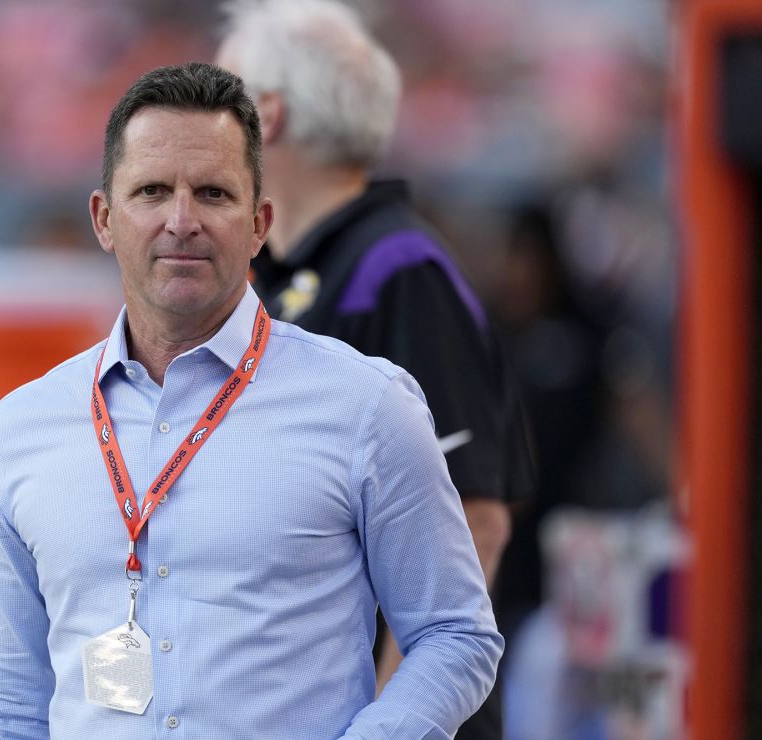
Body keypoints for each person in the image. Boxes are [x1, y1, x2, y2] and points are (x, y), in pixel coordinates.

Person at [0, 62, 501, 739]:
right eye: (151, 191)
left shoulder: (367, 406)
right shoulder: (19, 432)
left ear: (259, 224)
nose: (181, 221)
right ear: (103, 218)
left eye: (212, 194)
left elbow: (455, 634)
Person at [216, 2, 535, 737]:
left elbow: (475, 519)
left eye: (218, 91)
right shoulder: (284, 276)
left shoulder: (399, 269)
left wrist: (389, 722)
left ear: (267, 113)